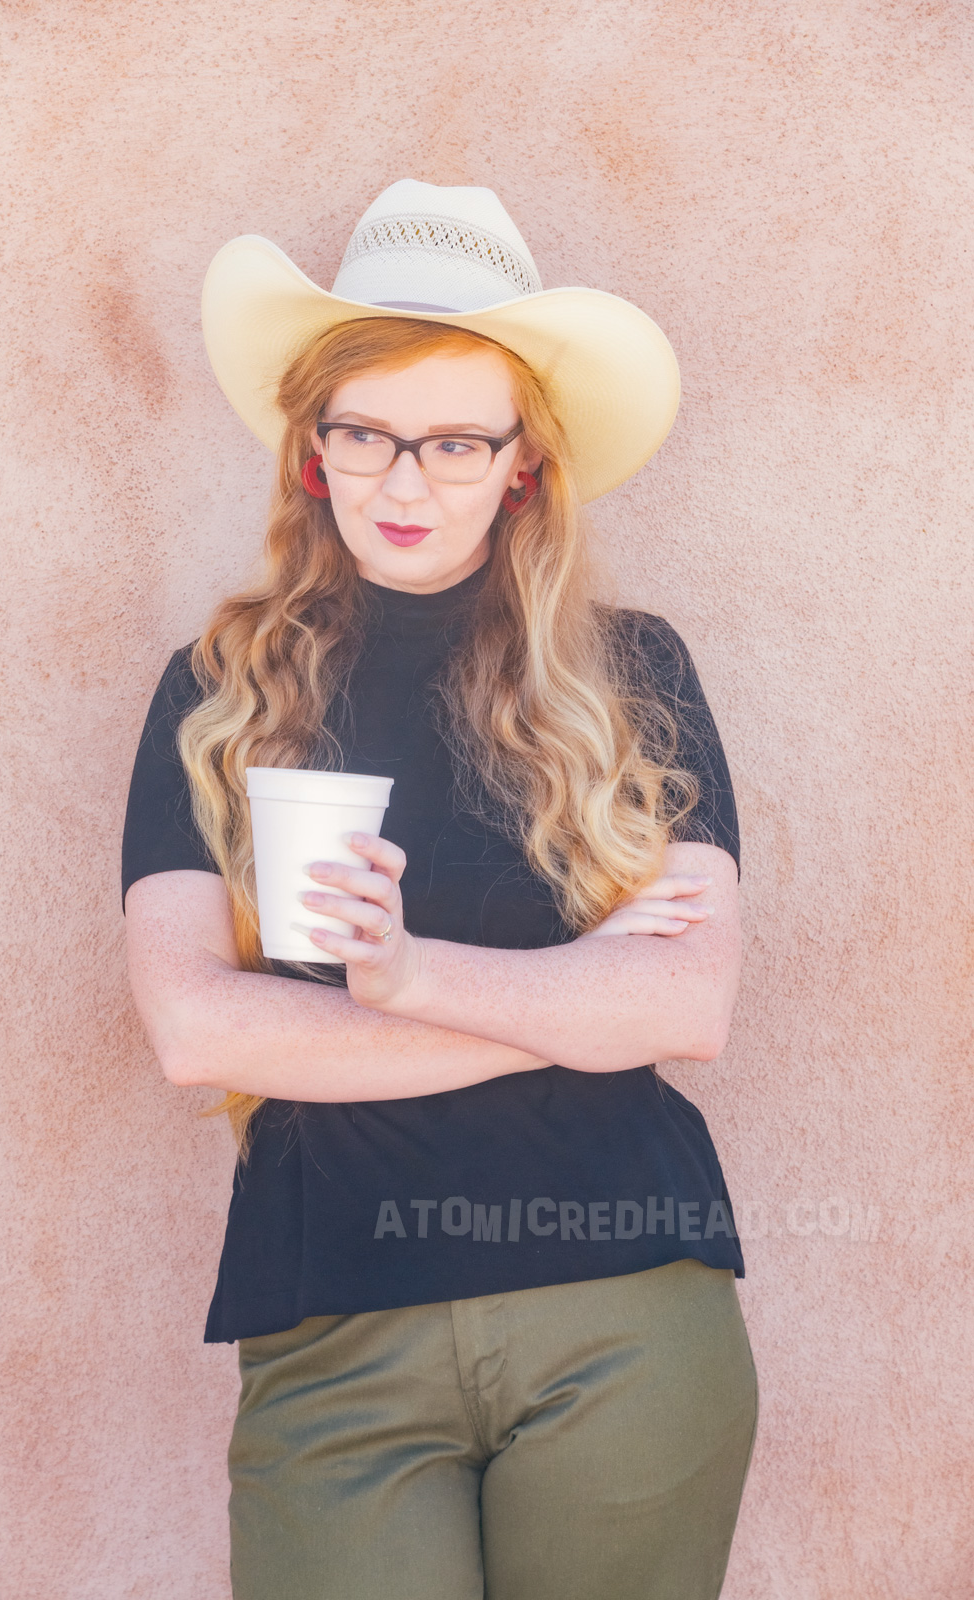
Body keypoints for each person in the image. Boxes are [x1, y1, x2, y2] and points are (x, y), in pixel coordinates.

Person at [122, 180, 758, 1600]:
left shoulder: (633, 675)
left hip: (624, 1315)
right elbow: (196, 1031)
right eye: (367, 433)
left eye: (456, 440)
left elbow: (690, 1001)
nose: (406, 482)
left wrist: (410, 977)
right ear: (312, 451)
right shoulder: (215, 693)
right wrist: (575, 1005)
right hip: (333, 1328)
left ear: (522, 461)